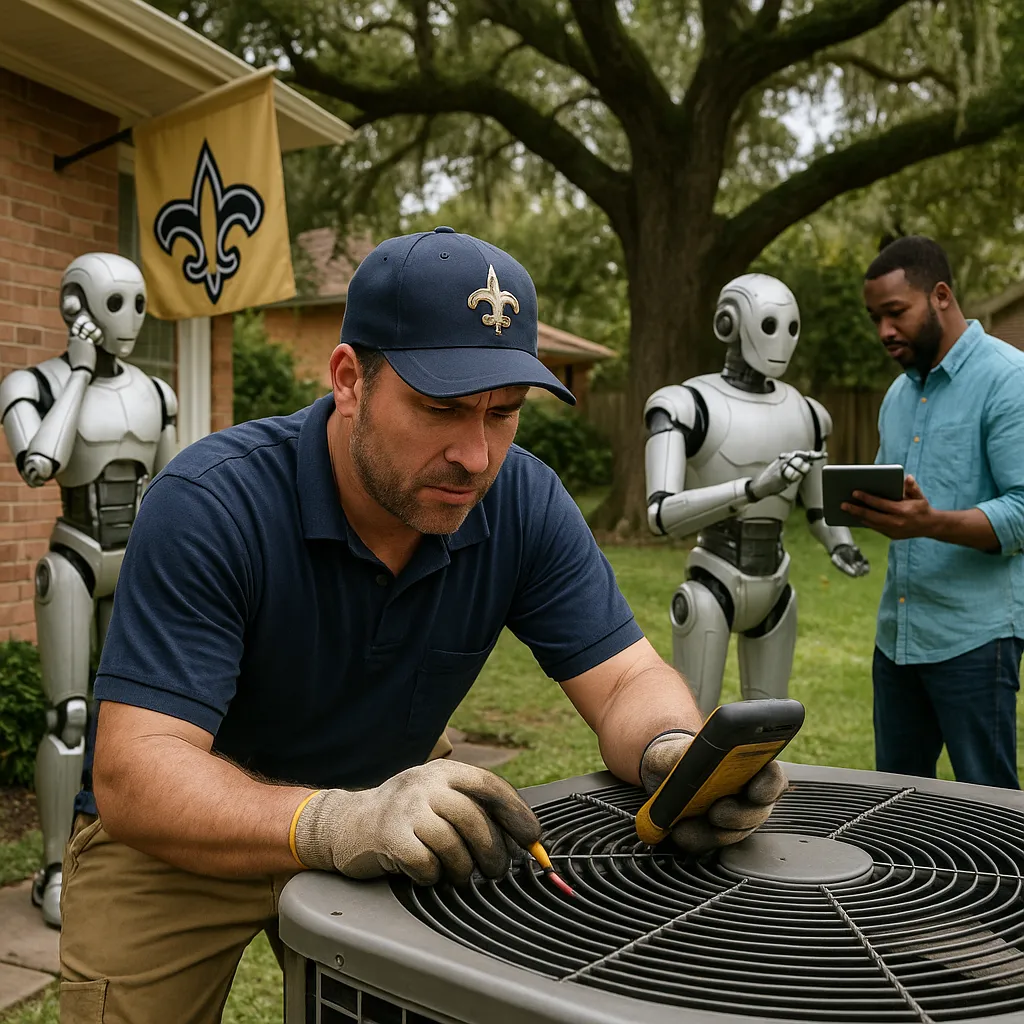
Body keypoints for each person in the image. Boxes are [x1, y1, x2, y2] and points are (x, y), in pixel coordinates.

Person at [58, 227, 787, 1023]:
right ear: (349, 380)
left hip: (395, 818)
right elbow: (138, 773)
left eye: (503, 413)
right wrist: (333, 821)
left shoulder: (522, 501)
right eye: (441, 408)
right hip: (184, 841)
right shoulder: (212, 503)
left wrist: (673, 754)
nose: (475, 456)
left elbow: (625, 679)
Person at [0, 253, 177, 928]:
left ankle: (123, 853)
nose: (130, 319)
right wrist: (76, 368)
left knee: (134, 712)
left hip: (135, 561)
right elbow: (38, 462)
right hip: (73, 555)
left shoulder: (157, 393)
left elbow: (171, 487)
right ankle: (54, 865)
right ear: (76, 307)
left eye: (138, 303)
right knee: (68, 716)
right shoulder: (33, 384)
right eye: (114, 304)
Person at [643, 272, 869, 717]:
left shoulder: (808, 413)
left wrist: (841, 544)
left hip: (776, 584)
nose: (781, 340)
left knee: (768, 729)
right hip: (713, 578)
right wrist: (752, 489)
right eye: (769, 325)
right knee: (692, 729)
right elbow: (661, 514)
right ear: (729, 323)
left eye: (791, 328)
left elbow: (817, 507)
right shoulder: (687, 404)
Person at [848, 234, 1024, 789]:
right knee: (896, 805)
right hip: (896, 639)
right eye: (875, 317)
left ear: (941, 296)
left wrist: (929, 524)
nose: (883, 332)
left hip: (976, 640)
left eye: (895, 313)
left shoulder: (1008, 379)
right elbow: (897, 494)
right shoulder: (898, 396)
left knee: (989, 807)